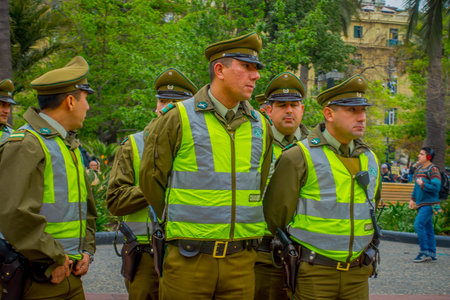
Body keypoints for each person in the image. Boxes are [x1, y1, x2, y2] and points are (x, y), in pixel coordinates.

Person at [139, 32, 273, 299]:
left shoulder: (261, 124)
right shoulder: (178, 118)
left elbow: (259, 184)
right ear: (220, 70)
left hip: (241, 262)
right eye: (247, 67)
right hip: (189, 260)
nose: (255, 76)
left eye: (256, 68)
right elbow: (152, 181)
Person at [263, 75, 381, 300]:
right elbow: (276, 216)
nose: (362, 118)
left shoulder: (370, 157)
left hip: (358, 272)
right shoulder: (299, 156)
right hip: (315, 271)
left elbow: (371, 207)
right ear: (329, 114)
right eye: (352, 111)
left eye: (363, 111)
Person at [0, 56, 97, 299]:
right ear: (71, 101)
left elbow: (86, 207)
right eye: (86, 99)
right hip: (40, 277)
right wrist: (54, 257)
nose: (88, 107)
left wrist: (87, 250)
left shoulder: (67, 144)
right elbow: (15, 214)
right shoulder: (27, 144)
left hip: (69, 273)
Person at [106, 67, 198, 300]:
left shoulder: (200, 148)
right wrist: (156, 186)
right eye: (162, 101)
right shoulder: (133, 145)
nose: (166, 107)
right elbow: (115, 201)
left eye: (175, 103)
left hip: (191, 253)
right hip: (145, 254)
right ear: (155, 106)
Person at [254, 71, 308, 300]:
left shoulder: (315, 149)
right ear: (268, 110)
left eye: (294, 105)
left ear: (302, 110)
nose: (289, 110)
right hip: (264, 255)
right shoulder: (254, 145)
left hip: (306, 257)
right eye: (282, 105)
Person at [409, 147, 441, 262]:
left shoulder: (433, 169)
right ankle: (431, 253)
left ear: (428, 157)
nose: (419, 156)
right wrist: (412, 199)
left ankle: (424, 252)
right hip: (422, 203)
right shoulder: (420, 169)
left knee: (418, 225)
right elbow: (416, 186)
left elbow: (436, 187)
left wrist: (423, 185)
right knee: (428, 228)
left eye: (421, 154)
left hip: (430, 204)